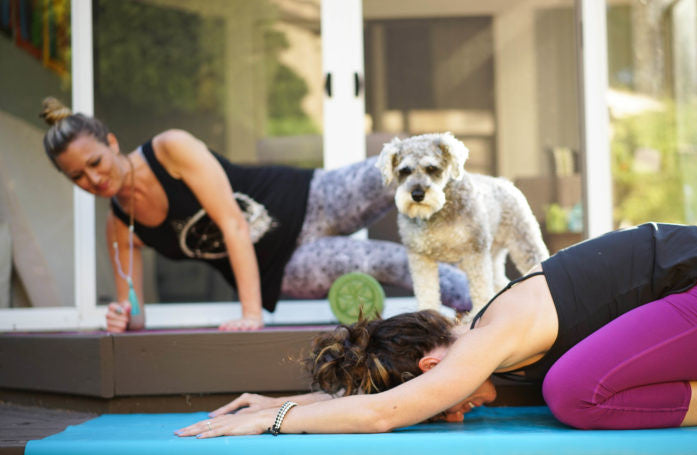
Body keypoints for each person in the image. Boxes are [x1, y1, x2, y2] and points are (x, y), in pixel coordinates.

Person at [176, 222, 697, 435]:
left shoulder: (488, 338)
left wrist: (271, 421)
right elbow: (378, 401)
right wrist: (291, 398)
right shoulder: (485, 332)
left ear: (431, 368)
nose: (451, 410)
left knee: (572, 391)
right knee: (573, 385)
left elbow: (381, 414)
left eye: (437, 403)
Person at [39, 98, 471, 332]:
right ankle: (481, 306)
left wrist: (250, 315)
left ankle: (486, 237)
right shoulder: (120, 227)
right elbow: (134, 315)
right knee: (387, 260)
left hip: (310, 197)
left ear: (111, 143)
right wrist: (122, 318)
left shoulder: (169, 149)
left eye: (94, 163)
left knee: (400, 164)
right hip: (284, 270)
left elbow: (232, 223)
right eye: (77, 176)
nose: (92, 180)